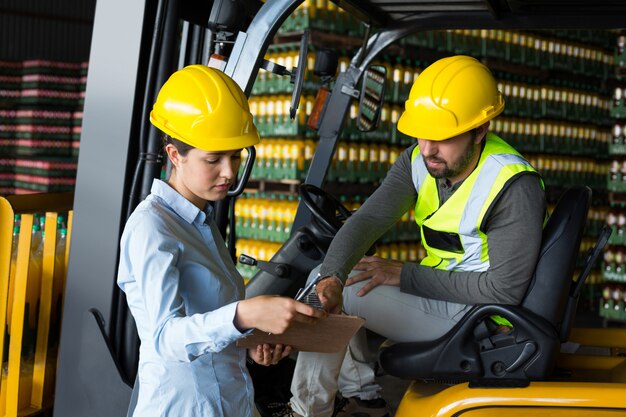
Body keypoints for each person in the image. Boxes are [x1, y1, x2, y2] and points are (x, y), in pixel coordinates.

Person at [288, 55, 546, 417]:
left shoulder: (512, 185)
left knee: (344, 292)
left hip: (484, 319)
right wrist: (332, 274)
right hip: (440, 298)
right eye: (422, 134)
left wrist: (404, 274)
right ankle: (364, 396)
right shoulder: (417, 161)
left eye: (442, 138)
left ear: (481, 129)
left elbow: (504, 291)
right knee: (333, 279)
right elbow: (368, 220)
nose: (428, 149)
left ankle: (307, 412)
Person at [116, 65, 326, 417]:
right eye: (213, 159)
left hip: (231, 400)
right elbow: (165, 338)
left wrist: (249, 345)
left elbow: (209, 323)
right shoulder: (152, 228)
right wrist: (246, 313)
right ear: (174, 155)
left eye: (235, 157)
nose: (228, 172)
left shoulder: (201, 221)